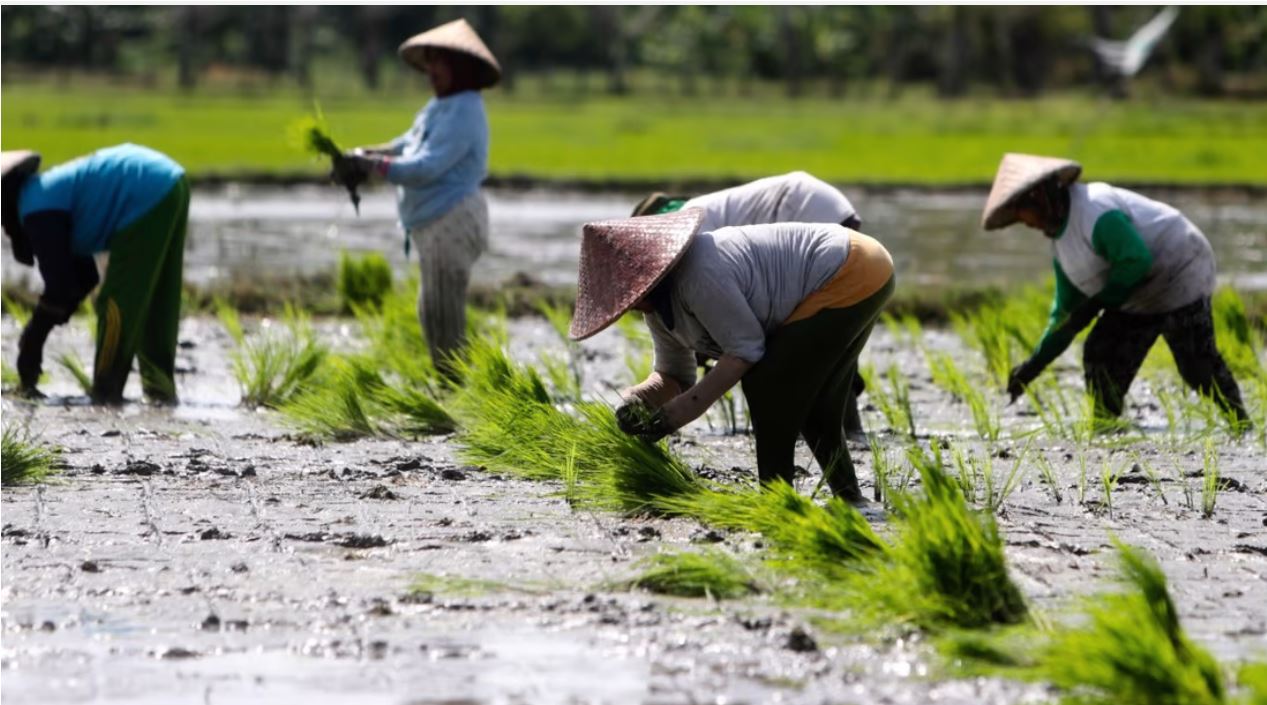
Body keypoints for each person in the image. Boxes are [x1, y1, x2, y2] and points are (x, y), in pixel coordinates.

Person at [568, 209, 895, 503]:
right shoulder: (657, 311)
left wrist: (681, 413)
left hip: (849, 267)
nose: (627, 306)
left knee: (768, 385)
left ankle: (776, 501)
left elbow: (746, 350)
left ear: (648, 278)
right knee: (818, 405)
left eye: (627, 296)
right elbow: (674, 375)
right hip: (861, 265)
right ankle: (851, 500)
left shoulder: (698, 275)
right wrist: (635, 400)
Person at [982, 152, 1250, 428]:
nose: (1025, 223)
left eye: (1022, 212)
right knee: (1102, 351)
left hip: (1178, 268)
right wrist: (1032, 367)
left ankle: (1241, 423)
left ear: (1039, 196)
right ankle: (1105, 427)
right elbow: (1063, 315)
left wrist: (1096, 304)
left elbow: (1136, 259)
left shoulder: (1095, 210)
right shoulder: (1062, 249)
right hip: (1135, 291)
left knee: (1197, 366)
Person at [630, 171, 869, 434]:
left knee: (807, 346)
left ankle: (828, 428)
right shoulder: (690, 222)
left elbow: (715, 294)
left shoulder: (690, 232)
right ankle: (840, 428)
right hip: (824, 203)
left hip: (807, 212)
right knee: (826, 348)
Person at [337, 18, 499, 376]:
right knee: (431, 311)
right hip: (432, 224)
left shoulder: (466, 109)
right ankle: (447, 386)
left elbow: (427, 166)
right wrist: (361, 154)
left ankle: (454, 389)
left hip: (452, 220)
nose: (431, 72)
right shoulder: (438, 107)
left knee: (444, 314)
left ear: (458, 67)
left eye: (438, 62)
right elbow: (404, 145)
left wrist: (374, 166)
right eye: (429, 63)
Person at [1, 144, 190, 404]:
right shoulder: (49, 193)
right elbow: (84, 278)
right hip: (172, 182)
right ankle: (160, 393)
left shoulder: (36, 210)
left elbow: (61, 286)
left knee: (117, 303)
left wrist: (33, 338)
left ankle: (105, 392)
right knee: (158, 301)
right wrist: (47, 322)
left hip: (143, 191)